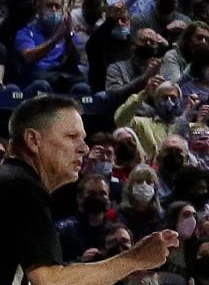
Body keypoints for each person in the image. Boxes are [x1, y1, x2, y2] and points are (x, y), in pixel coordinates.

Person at [0, 95, 180, 285]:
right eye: (72, 137)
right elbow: (50, 281)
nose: (84, 149)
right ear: (33, 140)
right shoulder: (21, 186)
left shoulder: (12, 181)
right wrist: (134, 259)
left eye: (83, 139)